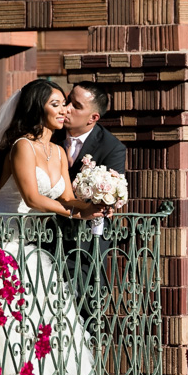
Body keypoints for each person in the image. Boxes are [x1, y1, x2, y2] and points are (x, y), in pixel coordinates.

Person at [0, 79, 104, 375]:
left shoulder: (58, 151)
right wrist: (73, 212)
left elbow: (66, 197)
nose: (65, 110)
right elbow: (32, 198)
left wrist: (95, 203)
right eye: (56, 104)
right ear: (38, 109)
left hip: (21, 237)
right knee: (4, 316)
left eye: (65, 104)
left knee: (40, 313)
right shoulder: (23, 146)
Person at [51, 82, 127, 326]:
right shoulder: (48, 135)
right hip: (42, 233)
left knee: (83, 311)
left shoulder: (112, 147)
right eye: (67, 100)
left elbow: (110, 199)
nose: (67, 108)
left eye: (76, 105)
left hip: (84, 243)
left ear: (93, 117)